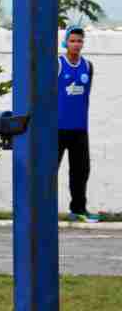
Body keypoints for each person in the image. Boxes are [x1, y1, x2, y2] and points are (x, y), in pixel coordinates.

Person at [57, 25, 99, 222]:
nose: (76, 44)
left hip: (79, 129)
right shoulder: (57, 64)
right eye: (73, 40)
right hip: (57, 129)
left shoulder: (87, 66)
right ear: (66, 42)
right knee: (49, 171)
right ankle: (42, 210)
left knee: (81, 171)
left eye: (80, 41)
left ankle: (78, 210)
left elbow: (85, 95)